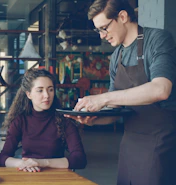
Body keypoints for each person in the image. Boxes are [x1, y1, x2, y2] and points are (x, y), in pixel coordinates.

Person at [65, 0, 176, 184]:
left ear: (122, 16)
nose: (102, 36)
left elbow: (161, 89)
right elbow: (116, 110)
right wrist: (93, 119)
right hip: (129, 144)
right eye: (98, 30)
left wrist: (103, 98)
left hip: (161, 141)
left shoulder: (157, 39)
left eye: (104, 28)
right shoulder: (117, 56)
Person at [0, 68, 87, 172]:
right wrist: (24, 163)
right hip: (28, 175)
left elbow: (80, 159)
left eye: (50, 89)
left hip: (58, 178)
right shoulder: (20, 121)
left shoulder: (64, 120)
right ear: (29, 94)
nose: (46, 95)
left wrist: (42, 163)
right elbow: (3, 158)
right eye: (40, 90)